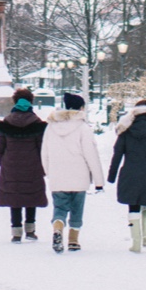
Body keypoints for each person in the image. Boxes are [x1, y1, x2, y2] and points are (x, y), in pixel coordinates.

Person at [39, 91, 104, 253]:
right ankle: (73, 241)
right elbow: (92, 155)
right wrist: (99, 182)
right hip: (79, 176)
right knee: (77, 208)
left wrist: (49, 172)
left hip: (57, 176)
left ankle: (58, 228)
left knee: (59, 208)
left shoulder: (50, 127)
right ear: (80, 108)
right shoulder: (83, 128)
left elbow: (44, 153)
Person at [107, 98, 146, 253]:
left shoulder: (126, 130)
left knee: (133, 205)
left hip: (130, 171)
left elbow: (117, 154)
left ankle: (136, 243)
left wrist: (112, 176)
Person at [0, 89, 47, 242]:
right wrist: (42, 167)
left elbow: (0, 148)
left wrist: (3, 163)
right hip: (33, 166)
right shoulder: (37, 124)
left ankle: (16, 232)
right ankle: (30, 231)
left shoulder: (6, 123)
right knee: (32, 196)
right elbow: (41, 147)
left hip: (10, 166)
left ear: (15, 102)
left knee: (14, 198)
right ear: (31, 102)